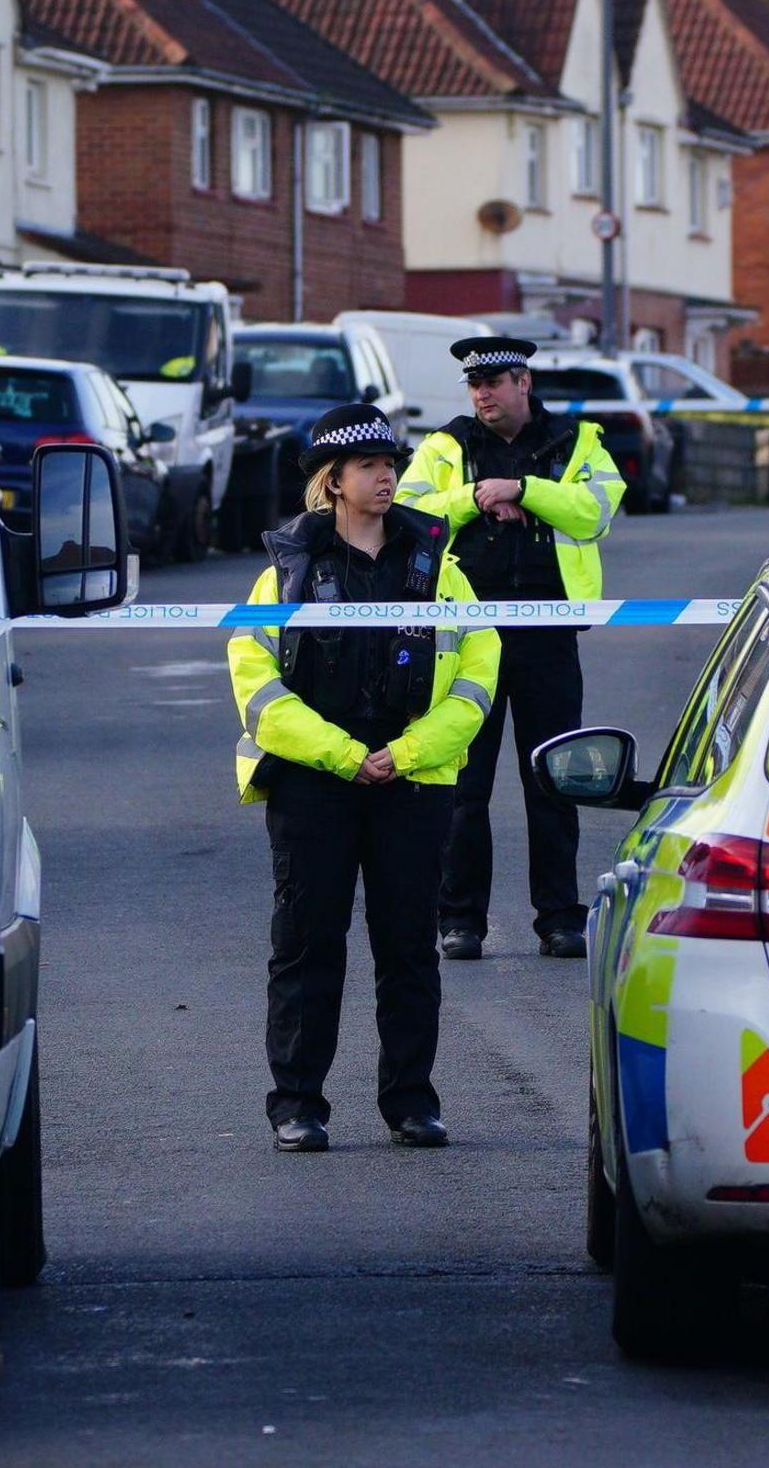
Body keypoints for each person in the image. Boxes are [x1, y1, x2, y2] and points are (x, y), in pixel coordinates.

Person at [225, 404, 500, 1153]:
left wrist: (403, 754)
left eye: (392, 464)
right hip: (315, 778)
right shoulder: (283, 573)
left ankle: (411, 1102)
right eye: (371, 466)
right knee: (308, 943)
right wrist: (347, 756)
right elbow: (257, 691)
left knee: (408, 944)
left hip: (412, 778)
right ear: (334, 482)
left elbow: (478, 677)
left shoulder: (439, 569)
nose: (388, 476)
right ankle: (297, 1105)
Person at [397, 335, 625, 960]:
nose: (481, 394)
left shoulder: (576, 442)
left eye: (493, 382)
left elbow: (597, 510)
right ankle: (460, 919)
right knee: (464, 782)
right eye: (474, 384)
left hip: (548, 632)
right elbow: (409, 511)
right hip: (467, 634)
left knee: (553, 778)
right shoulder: (446, 445)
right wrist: (475, 497)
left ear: (523, 382)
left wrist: (522, 490)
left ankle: (559, 918)